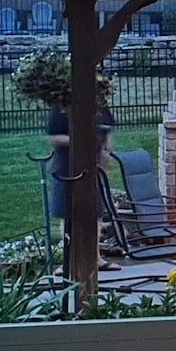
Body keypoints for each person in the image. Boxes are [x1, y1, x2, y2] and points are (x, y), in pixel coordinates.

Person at [47, 104, 121, 272]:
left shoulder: (100, 103)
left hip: (93, 165)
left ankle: (95, 258)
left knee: (96, 212)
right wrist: (80, 140)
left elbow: (106, 131)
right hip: (67, 165)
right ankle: (71, 260)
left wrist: (105, 151)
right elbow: (53, 138)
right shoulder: (60, 107)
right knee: (68, 213)